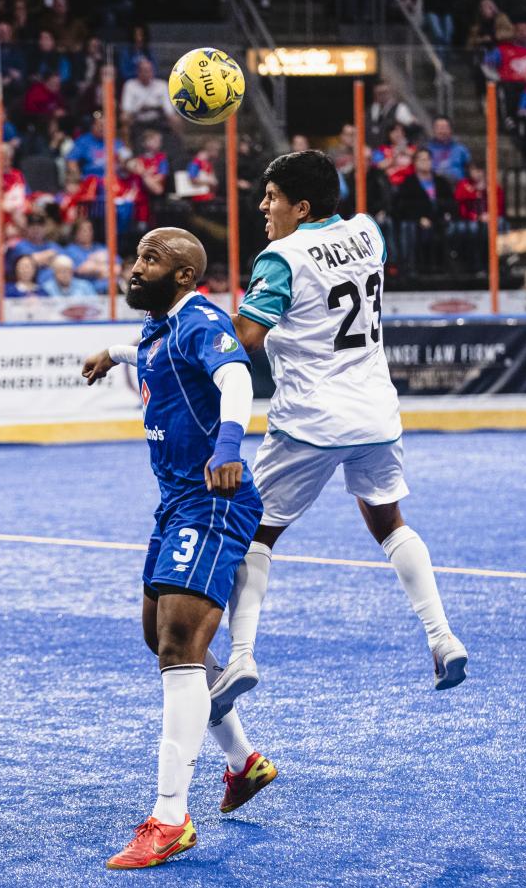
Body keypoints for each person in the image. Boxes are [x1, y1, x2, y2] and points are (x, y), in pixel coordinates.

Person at [89, 152, 468, 710]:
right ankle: (442, 637)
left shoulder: (280, 259)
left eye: (272, 198)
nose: (263, 207)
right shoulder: (369, 232)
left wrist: (158, 336)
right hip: (377, 413)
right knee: (388, 522)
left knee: (249, 533)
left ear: (302, 206)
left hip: (311, 419)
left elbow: (239, 341)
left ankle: (240, 656)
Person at [81, 227, 272, 869]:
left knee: (178, 645)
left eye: (151, 260)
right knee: (156, 637)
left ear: (185, 276)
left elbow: (236, 378)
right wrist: (111, 352)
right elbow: (145, 351)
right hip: (174, 503)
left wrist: (228, 445)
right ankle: (243, 762)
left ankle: (171, 818)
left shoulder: (199, 321)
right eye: (136, 257)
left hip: (211, 497)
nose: (136, 268)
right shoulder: (162, 326)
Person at [427, 115, 472, 183]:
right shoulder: (426, 149)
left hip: (457, 187)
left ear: (451, 130)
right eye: (439, 128)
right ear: (433, 130)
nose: (442, 131)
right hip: (433, 187)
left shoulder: (461, 149)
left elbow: (470, 170)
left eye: (445, 127)